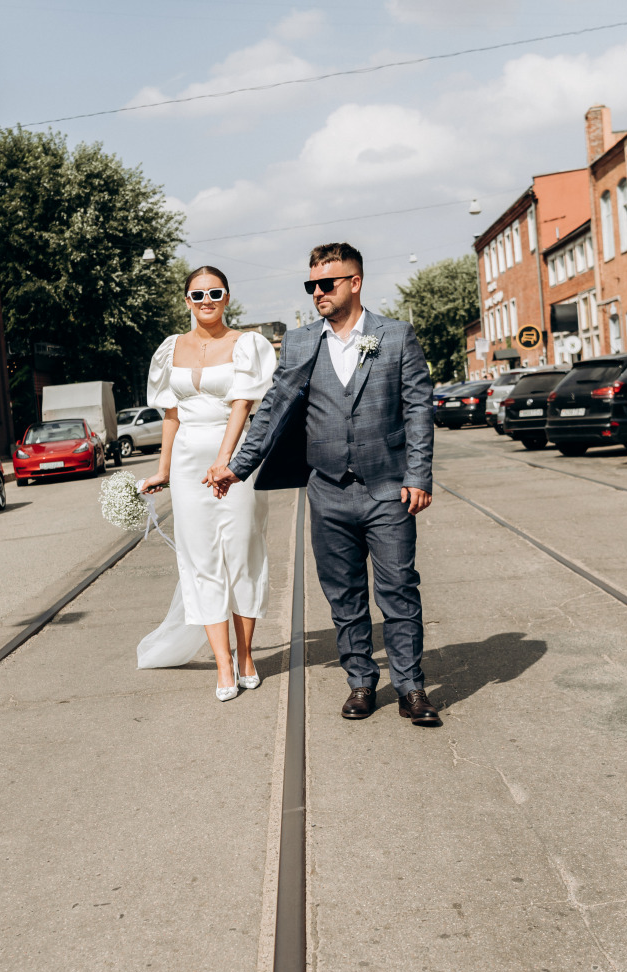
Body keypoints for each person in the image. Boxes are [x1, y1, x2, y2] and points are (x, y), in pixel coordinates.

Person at [208, 243, 440, 725]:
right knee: (344, 594)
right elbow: (272, 408)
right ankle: (360, 682)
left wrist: (418, 474)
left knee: (398, 589)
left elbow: (418, 409)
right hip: (328, 490)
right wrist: (237, 465)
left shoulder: (395, 337)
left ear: (354, 283)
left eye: (326, 284)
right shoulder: (299, 342)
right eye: (310, 285)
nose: (317, 293)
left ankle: (411, 687)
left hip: (387, 487)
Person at [138, 266, 278, 701]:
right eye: (197, 295)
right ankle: (223, 665)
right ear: (186, 301)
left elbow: (242, 405)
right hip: (185, 466)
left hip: (234, 461)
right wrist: (162, 471)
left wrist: (225, 463)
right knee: (201, 561)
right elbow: (171, 414)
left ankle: (246, 655)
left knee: (241, 554)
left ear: (227, 297)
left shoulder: (247, 344)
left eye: (215, 293)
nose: (206, 301)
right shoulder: (169, 349)